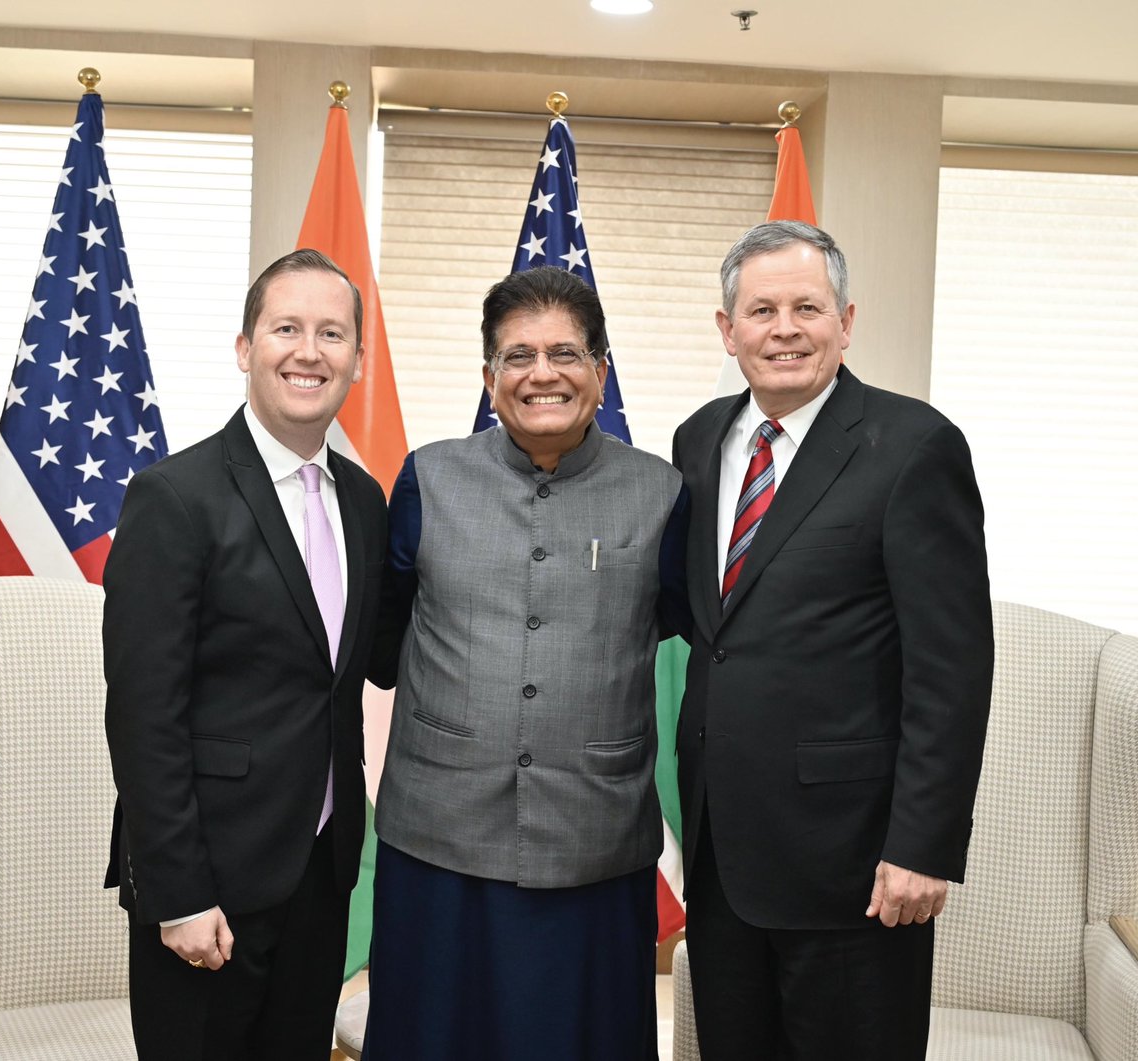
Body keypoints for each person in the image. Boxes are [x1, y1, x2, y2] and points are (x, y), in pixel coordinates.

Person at [672, 221, 993, 1060]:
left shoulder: (915, 447)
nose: (785, 328)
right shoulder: (699, 441)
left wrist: (921, 848)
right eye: (762, 309)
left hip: (853, 870)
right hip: (720, 855)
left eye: (807, 307)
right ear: (727, 328)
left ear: (846, 320)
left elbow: (951, 668)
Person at [361, 266, 688, 1061]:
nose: (542, 373)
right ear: (488, 377)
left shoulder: (664, 492)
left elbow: (678, 622)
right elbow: (381, 636)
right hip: (438, 838)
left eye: (566, 352)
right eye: (518, 356)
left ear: (601, 372)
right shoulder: (428, 478)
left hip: (594, 842)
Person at [103, 249, 390, 1060]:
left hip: (322, 873)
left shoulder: (364, 501)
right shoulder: (175, 496)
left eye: (332, 333)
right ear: (244, 347)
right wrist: (177, 891)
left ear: (358, 360)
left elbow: (372, 659)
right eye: (287, 328)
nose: (310, 351)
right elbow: (142, 712)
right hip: (211, 882)